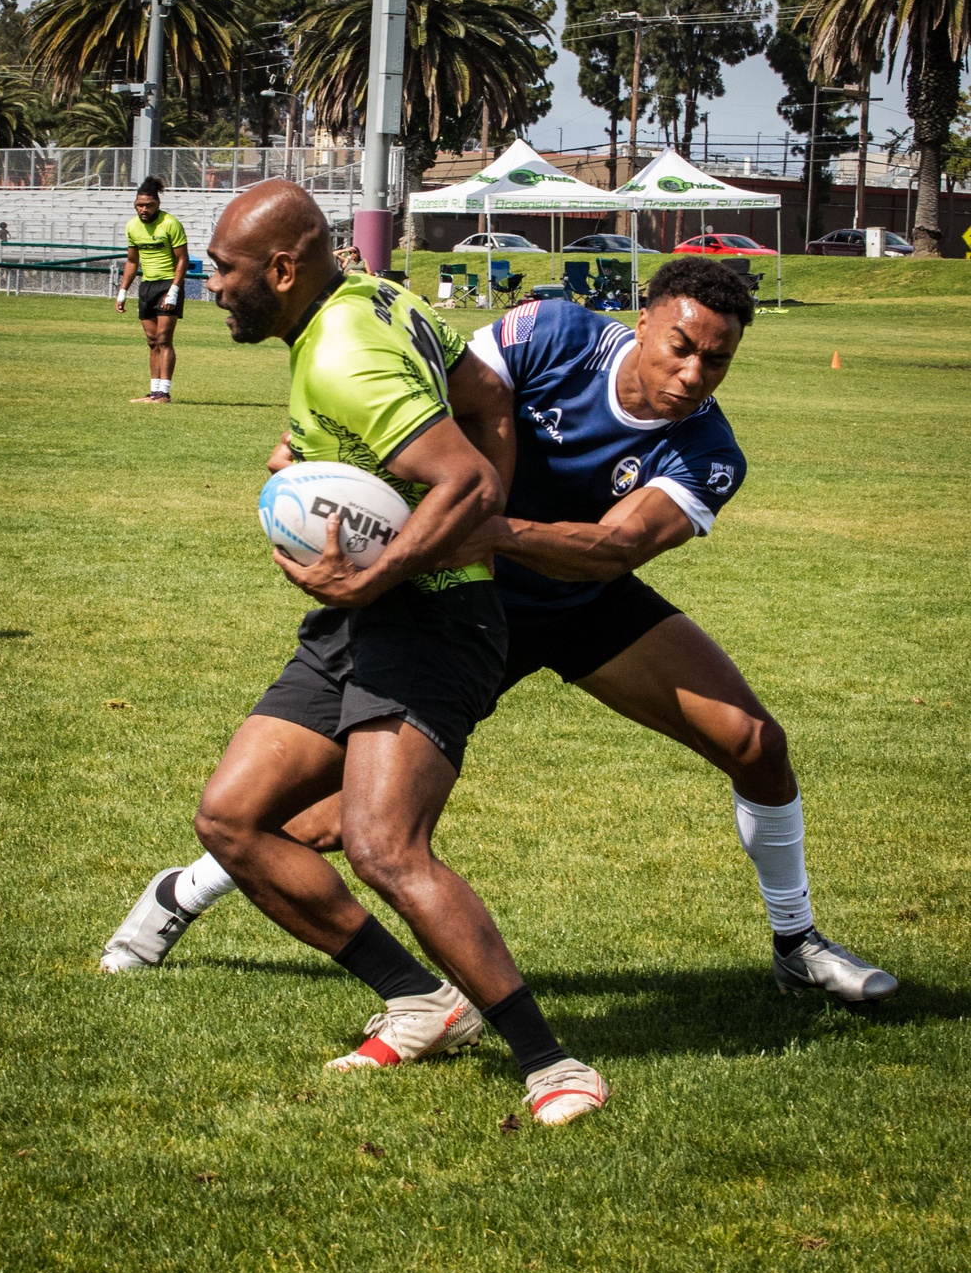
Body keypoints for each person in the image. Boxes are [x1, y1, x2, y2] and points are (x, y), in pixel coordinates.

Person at [104, 259, 895, 1032]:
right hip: (455, 600)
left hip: (578, 600)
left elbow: (613, 549)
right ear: (643, 320)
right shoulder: (552, 332)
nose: (694, 374)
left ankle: (797, 943)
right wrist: (319, 451)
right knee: (343, 820)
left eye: (717, 360)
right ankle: (184, 893)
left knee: (755, 742)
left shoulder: (711, 454)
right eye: (681, 347)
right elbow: (431, 396)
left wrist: (484, 530)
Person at [104, 177, 609, 1128]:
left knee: (385, 846)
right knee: (233, 818)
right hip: (363, 621)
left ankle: (553, 1062)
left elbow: (456, 476)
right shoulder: (376, 300)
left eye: (226, 269)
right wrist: (311, 458)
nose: (211, 285)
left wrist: (402, 559)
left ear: (284, 270)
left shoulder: (343, 351)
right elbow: (484, 391)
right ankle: (421, 1000)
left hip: (436, 620)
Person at [115, 176, 190, 404]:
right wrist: (122, 291)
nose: (144, 209)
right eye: (139, 205)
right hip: (147, 286)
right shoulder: (132, 226)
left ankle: (164, 393)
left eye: (149, 205)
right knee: (151, 341)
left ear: (157, 204)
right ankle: (153, 392)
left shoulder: (170, 224)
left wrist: (174, 291)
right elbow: (131, 261)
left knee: (164, 339)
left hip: (168, 284)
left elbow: (183, 259)